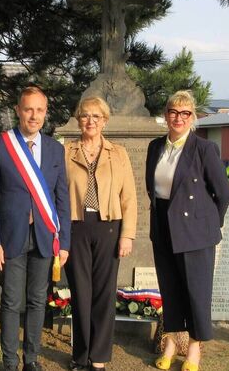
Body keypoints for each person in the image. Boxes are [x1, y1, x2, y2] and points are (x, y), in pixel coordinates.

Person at [0, 86, 71, 371]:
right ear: (18, 110)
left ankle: (31, 359)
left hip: (45, 238)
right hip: (10, 238)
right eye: (28, 109)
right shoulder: (0, 145)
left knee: (37, 301)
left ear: (46, 113)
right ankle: (9, 362)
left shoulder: (56, 149)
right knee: (10, 301)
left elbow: (61, 199)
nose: (34, 115)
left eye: (40, 110)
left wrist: (64, 242)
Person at [145, 91, 229, 371]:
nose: (178, 118)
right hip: (164, 228)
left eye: (185, 113)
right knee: (171, 291)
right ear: (166, 115)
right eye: (173, 112)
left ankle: (194, 350)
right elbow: (153, 190)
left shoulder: (204, 149)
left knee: (196, 292)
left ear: (192, 117)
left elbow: (223, 193)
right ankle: (171, 343)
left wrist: (207, 226)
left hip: (195, 232)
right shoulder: (155, 147)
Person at [64, 96, 138, 371]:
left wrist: (127, 235)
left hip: (109, 226)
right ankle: (80, 355)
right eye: (85, 115)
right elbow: (59, 192)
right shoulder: (67, 151)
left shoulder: (118, 153)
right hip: (76, 227)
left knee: (104, 294)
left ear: (105, 120)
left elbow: (129, 196)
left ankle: (99, 357)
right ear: (78, 119)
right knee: (80, 292)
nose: (90, 121)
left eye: (96, 116)